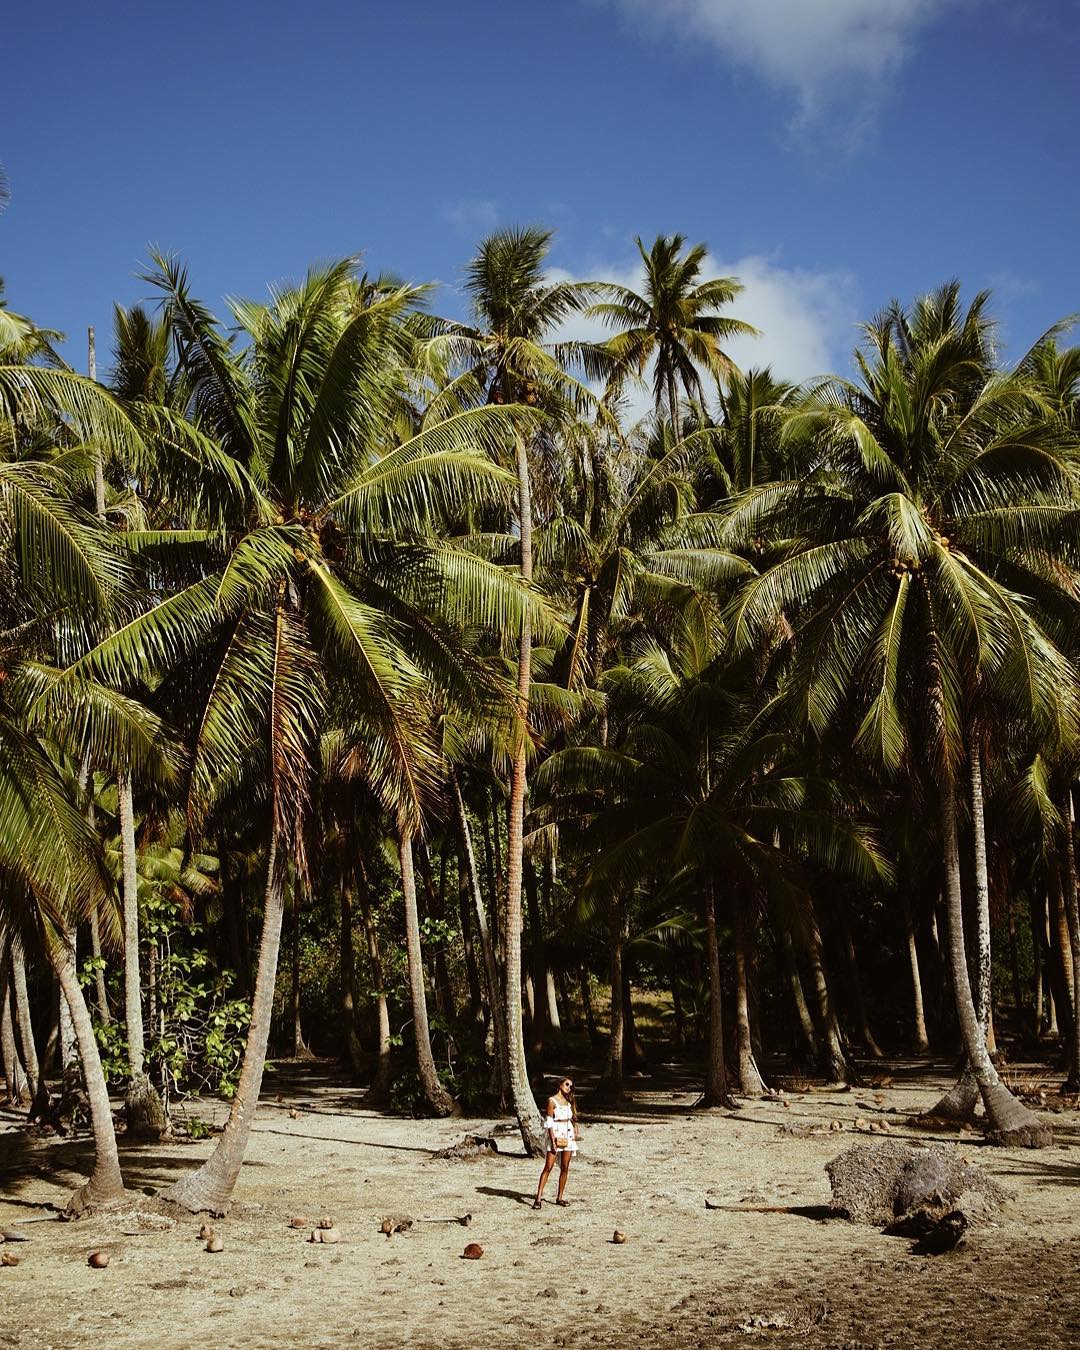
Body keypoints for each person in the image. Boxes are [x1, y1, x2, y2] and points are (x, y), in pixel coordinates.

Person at [533, 1076, 578, 1209]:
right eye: (566, 1085)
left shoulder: (568, 1103)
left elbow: (572, 1118)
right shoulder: (552, 1101)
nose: (569, 1088)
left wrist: (574, 1130)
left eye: (571, 1086)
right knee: (548, 1166)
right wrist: (552, 1140)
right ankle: (538, 1198)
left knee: (565, 1167)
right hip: (556, 1134)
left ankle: (560, 1197)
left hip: (568, 1135)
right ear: (560, 1085)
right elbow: (549, 1122)